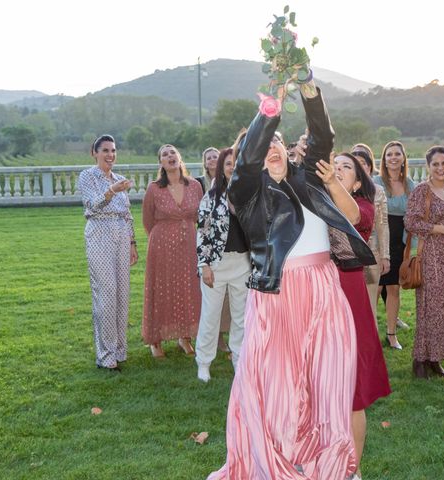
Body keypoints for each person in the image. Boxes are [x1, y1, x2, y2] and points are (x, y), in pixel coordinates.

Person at [208, 78, 375, 480]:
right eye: (263, 147)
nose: (271, 151)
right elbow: (246, 161)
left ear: (286, 149)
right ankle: (276, 462)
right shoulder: (246, 192)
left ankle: (331, 465)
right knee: (279, 391)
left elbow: (322, 135)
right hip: (277, 296)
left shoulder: (311, 179)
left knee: (329, 385)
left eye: (276, 143)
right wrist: (270, 109)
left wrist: (307, 87)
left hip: (323, 293)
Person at [321, 151, 391, 478]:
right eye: (334, 166)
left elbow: (348, 215)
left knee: (352, 391)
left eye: (345, 168)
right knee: (319, 385)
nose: (337, 170)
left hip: (348, 295)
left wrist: (330, 182)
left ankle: (353, 468)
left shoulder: (362, 207)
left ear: (358, 180)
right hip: (315, 294)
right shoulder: (313, 204)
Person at [405, 146, 444, 378]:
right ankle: (420, 360)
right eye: (436, 164)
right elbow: (411, 222)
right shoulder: (422, 191)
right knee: (431, 307)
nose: (440, 168)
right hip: (432, 255)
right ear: (428, 166)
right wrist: (441, 228)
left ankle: (436, 357)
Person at [77, 134, 138, 371]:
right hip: (99, 233)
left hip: (122, 235)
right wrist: (110, 191)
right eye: (105, 150)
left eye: (113, 151)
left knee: (122, 294)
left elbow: (127, 213)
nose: (110, 155)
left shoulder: (120, 179)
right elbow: (92, 205)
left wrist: (132, 243)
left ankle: (120, 350)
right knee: (106, 294)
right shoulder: (87, 176)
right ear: (94, 153)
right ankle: (105, 354)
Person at [195, 148, 251, 382]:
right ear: (221, 167)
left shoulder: (249, 194)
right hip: (216, 265)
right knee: (210, 315)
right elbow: (203, 232)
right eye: (228, 163)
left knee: (241, 317)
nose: (232, 167)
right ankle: (204, 362)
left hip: (243, 263)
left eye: (236, 163)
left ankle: (239, 358)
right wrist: (204, 265)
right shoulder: (211, 196)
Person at [142, 144, 203, 358]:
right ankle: (156, 340)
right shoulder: (154, 188)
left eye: (173, 152)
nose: (170, 156)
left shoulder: (195, 185)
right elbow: (148, 220)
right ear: (161, 163)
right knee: (161, 288)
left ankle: (184, 337)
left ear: (180, 158)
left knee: (188, 287)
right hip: (161, 246)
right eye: (165, 154)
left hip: (189, 245)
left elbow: (200, 216)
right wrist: (162, 238)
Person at [373, 141, 415, 349]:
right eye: (389, 154)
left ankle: (391, 334)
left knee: (393, 289)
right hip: (378, 240)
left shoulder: (410, 185)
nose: (393, 157)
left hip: (399, 242)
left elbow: (415, 216)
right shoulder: (375, 182)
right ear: (384, 159)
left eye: (397, 154)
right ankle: (369, 334)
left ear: (403, 158)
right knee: (375, 288)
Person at [351, 144, 391, 322]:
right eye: (355, 163)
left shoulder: (377, 191)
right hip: (345, 257)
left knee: (369, 305)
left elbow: (383, 225)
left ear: (369, 166)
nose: (360, 167)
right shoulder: (340, 191)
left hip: (371, 255)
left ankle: (370, 347)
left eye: (363, 163)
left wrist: (385, 256)